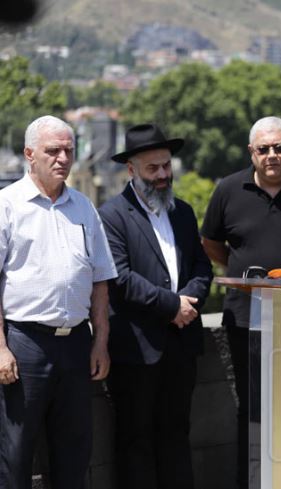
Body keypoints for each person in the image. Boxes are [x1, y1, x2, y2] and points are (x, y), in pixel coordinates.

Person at [200, 116, 281, 487]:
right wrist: (247, 277)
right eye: (263, 149)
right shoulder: (228, 189)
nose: (271, 156)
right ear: (251, 153)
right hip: (246, 319)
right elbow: (210, 242)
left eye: (279, 148)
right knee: (253, 410)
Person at [0, 115, 117, 488]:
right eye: (53, 151)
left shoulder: (84, 207)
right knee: (15, 454)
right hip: (25, 344)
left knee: (74, 452)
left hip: (76, 345)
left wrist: (100, 341)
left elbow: (100, 280)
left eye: (69, 150)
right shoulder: (7, 205)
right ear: (29, 154)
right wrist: (0, 348)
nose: (63, 158)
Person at [98, 124, 213, 489]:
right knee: (136, 440)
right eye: (153, 169)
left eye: (166, 166)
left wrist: (189, 301)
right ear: (131, 170)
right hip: (137, 347)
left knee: (177, 433)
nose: (163, 175)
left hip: (181, 346)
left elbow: (201, 265)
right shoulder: (112, 215)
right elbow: (122, 279)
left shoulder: (183, 211)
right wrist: (172, 306)